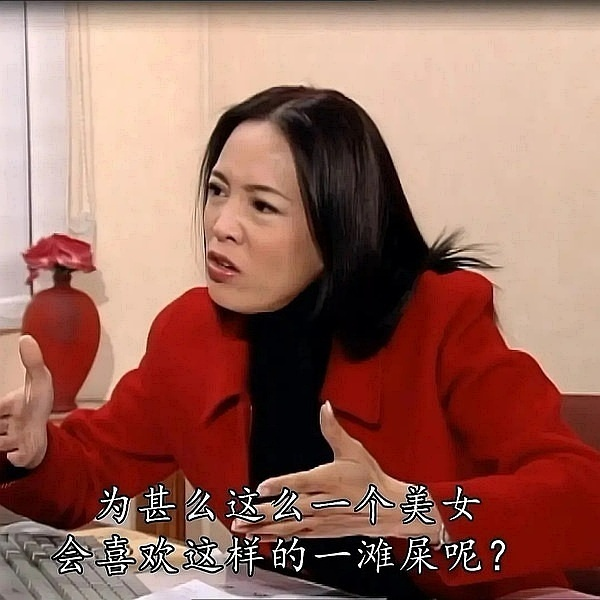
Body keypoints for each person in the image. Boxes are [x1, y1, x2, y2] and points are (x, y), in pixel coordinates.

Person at [0, 85, 599, 600]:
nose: (220, 225)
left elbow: (584, 495)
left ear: (339, 223)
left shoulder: (441, 318)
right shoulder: (192, 331)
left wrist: (413, 512)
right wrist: (33, 452)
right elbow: (95, 474)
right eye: (217, 190)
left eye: (262, 205)